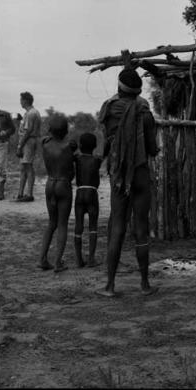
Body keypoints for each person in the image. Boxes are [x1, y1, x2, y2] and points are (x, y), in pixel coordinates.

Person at [96, 68, 158, 297]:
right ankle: (144, 284)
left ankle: (110, 286)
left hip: (120, 177)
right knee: (141, 227)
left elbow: (107, 146)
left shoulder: (109, 111)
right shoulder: (146, 113)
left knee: (118, 227)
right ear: (138, 91)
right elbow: (152, 148)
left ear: (119, 88)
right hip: (141, 175)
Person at [40, 114, 75, 272]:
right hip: (63, 184)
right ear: (66, 131)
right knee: (62, 225)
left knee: (51, 223)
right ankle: (58, 263)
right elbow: (71, 171)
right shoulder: (68, 147)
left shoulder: (45, 144)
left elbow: (45, 138)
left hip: (50, 184)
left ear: (49, 129)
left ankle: (42, 259)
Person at [74, 132, 103, 268]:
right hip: (92, 193)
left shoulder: (77, 158)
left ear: (80, 145)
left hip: (80, 193)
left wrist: (74, 148)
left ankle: (79, 259)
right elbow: (104, 154)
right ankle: (91, 259)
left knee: (78, 227)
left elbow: (71, 153)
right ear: (95, 146)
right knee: (93, 227)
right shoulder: (97, 160)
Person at [16, 92, 42, 202]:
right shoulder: (30, 113)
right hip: (27, 140)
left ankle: (29, 194)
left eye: (21, 99)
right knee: (23, 167)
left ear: (26, 100)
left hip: (29, 141)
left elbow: (29, 131)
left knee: (28, 166)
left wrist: (20, 146)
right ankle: (20, 193)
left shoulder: (31, 113)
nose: (20, 102)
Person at [0, 101, 16, 200]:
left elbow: (13, 129)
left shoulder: (5, 115)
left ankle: (0, 192)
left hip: (1, 142)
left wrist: (6, 132)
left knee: (0, 166)